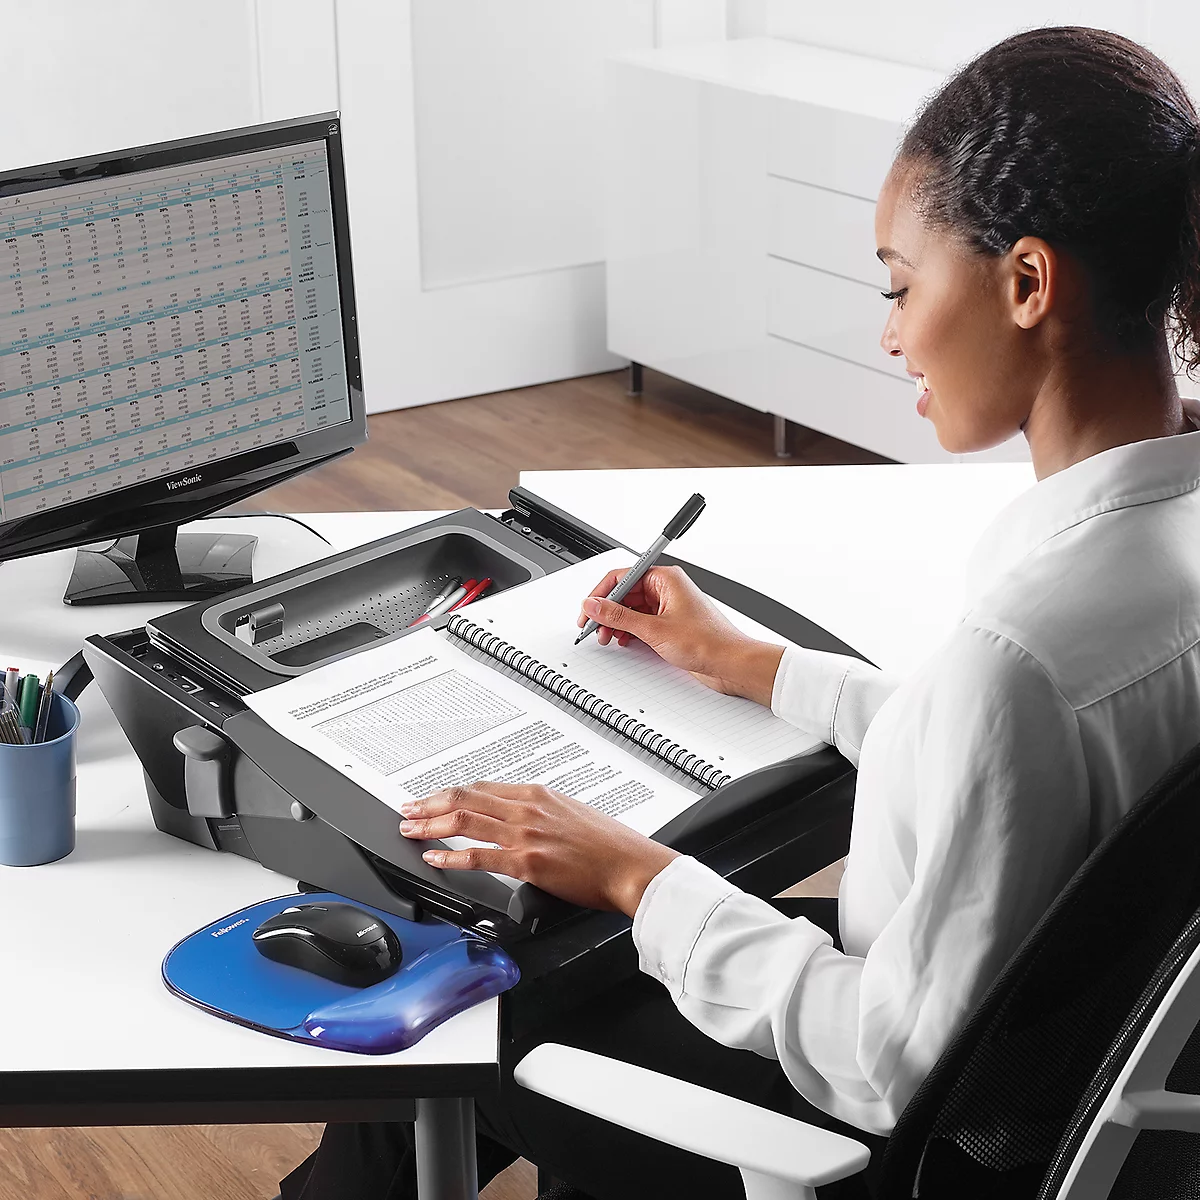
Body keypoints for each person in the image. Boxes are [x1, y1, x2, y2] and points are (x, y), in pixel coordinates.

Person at [281, 25, 1200, 1200]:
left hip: (899, 1151)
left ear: (1027, 283)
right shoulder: (1138, 568)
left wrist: (633, 873)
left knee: (485, 1011)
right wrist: (760, 666)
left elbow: (886, 1063)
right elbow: (1020, 757)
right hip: (1062, 1092)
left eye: (901, 285)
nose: (889, 332)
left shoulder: (1019, 659)